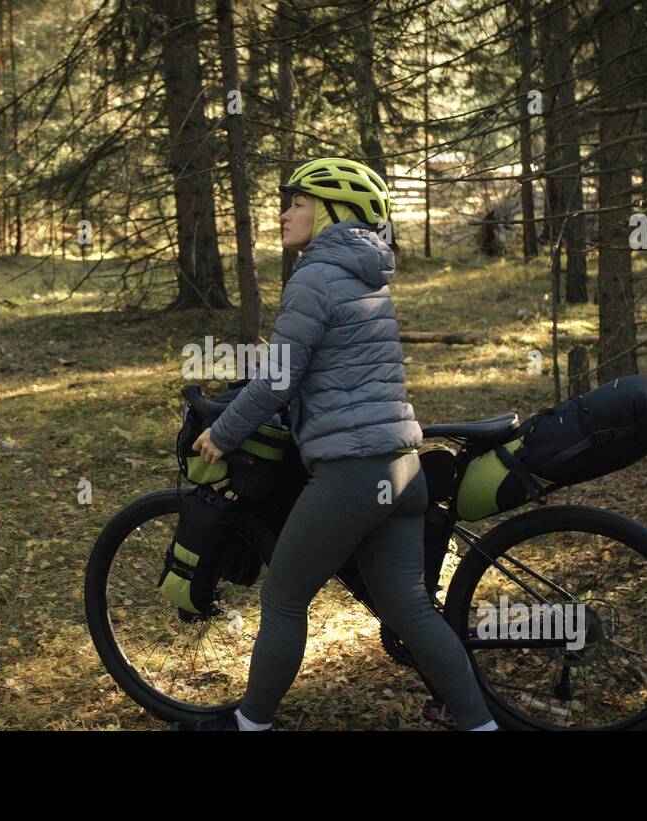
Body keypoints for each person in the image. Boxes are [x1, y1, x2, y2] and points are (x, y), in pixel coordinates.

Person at [174, 157, 498, 732]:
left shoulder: (314, 278)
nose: (285, 212)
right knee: (410, 609)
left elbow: (278, 379)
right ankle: (482, 726)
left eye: (298, 202)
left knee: (282, 597)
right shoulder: (365, 275)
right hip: (403, 469)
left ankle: (249, 726)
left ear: (332, 212)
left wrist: (222, 434)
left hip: (353, 474)